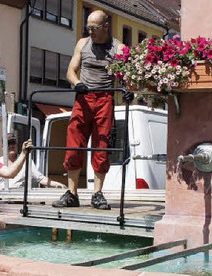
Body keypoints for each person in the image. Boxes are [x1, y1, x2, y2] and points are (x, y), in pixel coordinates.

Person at [52, 10, 133, 210]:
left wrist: (129, 91)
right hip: (83, 98)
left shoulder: (119, 48)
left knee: (101, 147)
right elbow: (71, 70)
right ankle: (72, 194)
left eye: (94, 28)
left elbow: (127, 77)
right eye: (88, 27)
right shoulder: (82, 43)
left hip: (105, 98)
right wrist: (76, 82)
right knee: (73, 145)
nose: (91, 32)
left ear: (106, 26)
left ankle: (97, 193)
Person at [0, 133, 67, 193]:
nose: (11, 146)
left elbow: (40, 178)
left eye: (13, 142)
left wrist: (59, 185)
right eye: (8, 143)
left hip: (19, 202)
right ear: (2, 146)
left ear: (16, 144)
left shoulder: (27, 161)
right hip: (2, 201)